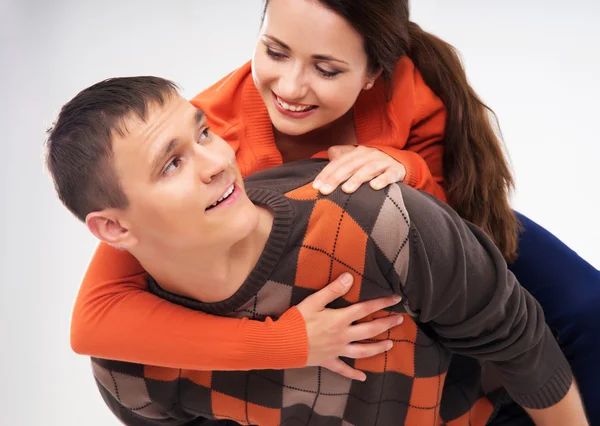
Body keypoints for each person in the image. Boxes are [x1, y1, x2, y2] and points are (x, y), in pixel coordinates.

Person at [67, 0, 600, 422]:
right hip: (324, 288)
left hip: (440, 234)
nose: (292, 87)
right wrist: (282, 342)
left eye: (326, 68)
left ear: (374, 75)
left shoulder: (410, 92)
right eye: (275, 52)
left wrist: (404, 166)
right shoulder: (211, 140)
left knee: (582, 307)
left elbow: (443, 237)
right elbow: (96, 320)